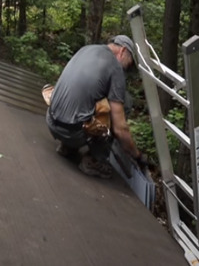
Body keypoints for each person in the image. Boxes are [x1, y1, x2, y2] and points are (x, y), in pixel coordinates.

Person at [46, 35, 145, 178]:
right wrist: (137, 155)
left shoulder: (87, 49)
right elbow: (120, 129)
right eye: (128, 65)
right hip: (72, 133)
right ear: (122, 51)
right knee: (125, 101)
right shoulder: (115, 67)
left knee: (87, 101)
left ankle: (67, 147)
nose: (126, 70)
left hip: (51, 121)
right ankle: (92, 160)